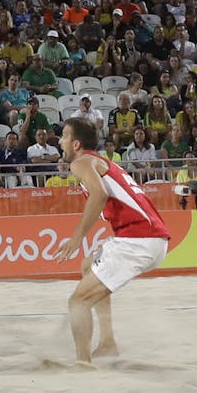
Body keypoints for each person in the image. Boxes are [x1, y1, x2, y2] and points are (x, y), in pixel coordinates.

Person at [53, 117, 171, 366]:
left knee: (78, 301)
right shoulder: (101, 162)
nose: (59, 141)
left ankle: (82, 365)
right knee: (89, 266)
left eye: (63, 136)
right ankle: (107, 343)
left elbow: (99, 194)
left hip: (138, 240)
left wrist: (77, 238)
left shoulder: (82, 162)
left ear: (76, 144)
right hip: (150, 239)